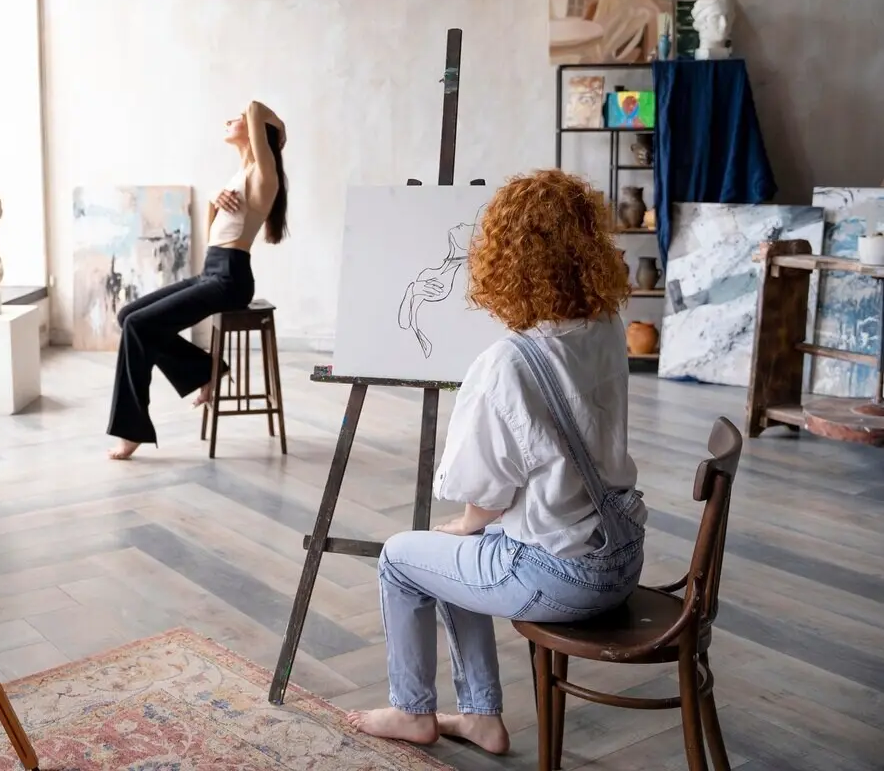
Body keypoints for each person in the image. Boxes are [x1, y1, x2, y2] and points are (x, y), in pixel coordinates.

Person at [348, 169, 645, 756]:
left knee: (404, 556)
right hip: (623, 556)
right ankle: (480, 718)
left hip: (563, 577)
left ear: (507, 257)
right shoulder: (607, 327)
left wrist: (467, 521)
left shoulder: (506, 364)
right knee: (463, 549)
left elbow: (484, 489)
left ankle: (413, 712)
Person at [106, 100, 288, 460]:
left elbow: (255, 107)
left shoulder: (264, 175)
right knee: (129, 315)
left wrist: (278, 132)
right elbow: (214, 239)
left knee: (140, 325)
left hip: (232, 278)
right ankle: (206, 369)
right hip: (213, 269)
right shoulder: (241, 174)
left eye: (236, 120)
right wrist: (211, 203)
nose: (230, 119)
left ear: (258, 132)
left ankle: (133, 430)